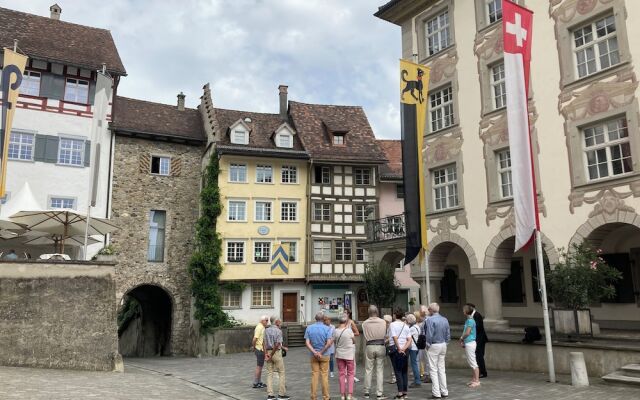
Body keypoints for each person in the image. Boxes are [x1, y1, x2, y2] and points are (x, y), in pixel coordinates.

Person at [305, 311, 333, 400]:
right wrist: (320, 352)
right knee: (324, 376)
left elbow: (307, 343)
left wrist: (314, 352)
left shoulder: (309, 328)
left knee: (314, 375)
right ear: (323, 319)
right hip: (324, 355)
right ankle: (326, 397)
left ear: (315, 319)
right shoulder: (327, 328)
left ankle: (313, 397)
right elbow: (328, 343)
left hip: (313, 355)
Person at [362, 305, 388, 399]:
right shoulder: (383, 322)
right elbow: (386, 334)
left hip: (369, 345)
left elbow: (365, 335)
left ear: (368, 312)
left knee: (368, 370)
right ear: (377, 312)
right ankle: (379, 393)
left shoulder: (364, 323)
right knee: (379, 370)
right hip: (381, 345)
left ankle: (366, 391)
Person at [425, 303, 450, 399]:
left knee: (433, 369)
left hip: (434, 345)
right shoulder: (444, 319)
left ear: (431, 310)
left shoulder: (430, 320)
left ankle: (436, 393)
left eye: (429, 309)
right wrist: (446, 343)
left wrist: (427, 345)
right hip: (443, 344)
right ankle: (444, 391)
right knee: (441, 369)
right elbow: (448, 333)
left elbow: (429, 334)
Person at [264, 316, 289, 399]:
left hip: (268, 352)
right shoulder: (278, 331)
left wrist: (266, 354)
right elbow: (277, 344)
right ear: (277, 322)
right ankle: (281, 394)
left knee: (269, 373)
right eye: (280, 321)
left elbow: (264, 343)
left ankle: (270, 395)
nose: (280, 323)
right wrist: (271, 355)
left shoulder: (266, 330)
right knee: (281, 372)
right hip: (276, 353)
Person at [389, 308, 411, 399]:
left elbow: (394, 337)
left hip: (395, 349)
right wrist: (404, 349)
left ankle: (400, 393)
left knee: (397, 371)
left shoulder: (392, 325)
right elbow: (409, 340)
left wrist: (399, 348)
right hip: (405, 350)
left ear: (395, 315)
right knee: (404, 371)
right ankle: (405, 392)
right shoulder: (406, 326)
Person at [334, 312, 356, 400]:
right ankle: (350, 394)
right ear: (346, 320)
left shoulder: (335, 331)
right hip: (349, 354)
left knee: (341, 374)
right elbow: (354, 341)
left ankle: (342, 395)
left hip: (339, 354)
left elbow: (335, 342)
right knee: (350, 374)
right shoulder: (349, 331)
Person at [466, 303, 488, 378]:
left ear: (471, 308)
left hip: (480, 339)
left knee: (479, 356)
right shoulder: (472, 316)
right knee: (477, 356)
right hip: (477, 339)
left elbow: (478, 327)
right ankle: (480, 372)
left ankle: (482, 372)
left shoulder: (477, 315)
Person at [460, 305, 480, 389]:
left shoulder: (470, 321)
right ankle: (474, 379)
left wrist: (461, 338)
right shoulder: (469, 320)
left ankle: (477, 381)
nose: (463, 311)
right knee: (471, 361)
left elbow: (467, 333)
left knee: (473, 362)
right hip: (469, 342)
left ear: (466, 311)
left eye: (464, 310)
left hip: (470, 343)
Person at [251, 315, 269, 388]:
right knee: (259, 367)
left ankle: (259, 382)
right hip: (259, 349)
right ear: (262, 321)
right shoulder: (260, 327)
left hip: (260, 349)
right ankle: (256, 383)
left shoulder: (261, 327)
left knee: (260, 366)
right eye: (266, 320)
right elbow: (254, 339)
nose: (267, 322)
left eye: (267, 320)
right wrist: (254, 347)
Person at [344, 308, 361, 383]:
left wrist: (350, 334)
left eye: (345, 312)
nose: (343, 314)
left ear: (348, 314)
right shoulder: (342, 322)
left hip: (351, 344)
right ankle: (344, 376)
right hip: (343, 344)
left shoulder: (351, 322)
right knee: (343, 360)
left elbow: (357, 333)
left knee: (352, 360)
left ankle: (352, 376)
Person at [406, 313, 421, 388]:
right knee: (415, 363)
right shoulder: (417, 326)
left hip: (413, 348)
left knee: (414, 364)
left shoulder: (411, 328)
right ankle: (417, 380)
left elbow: (407, 337)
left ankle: (417, 381)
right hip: (417, 347)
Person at [383, 314, 396, 385]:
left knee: (391, 363)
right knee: (390, 363)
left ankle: (394, 377)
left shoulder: (390, 327)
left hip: (391, 346)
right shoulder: (387, 327)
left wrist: (384, 341)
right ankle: (393, 377)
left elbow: (391, 338)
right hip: (389, 346)